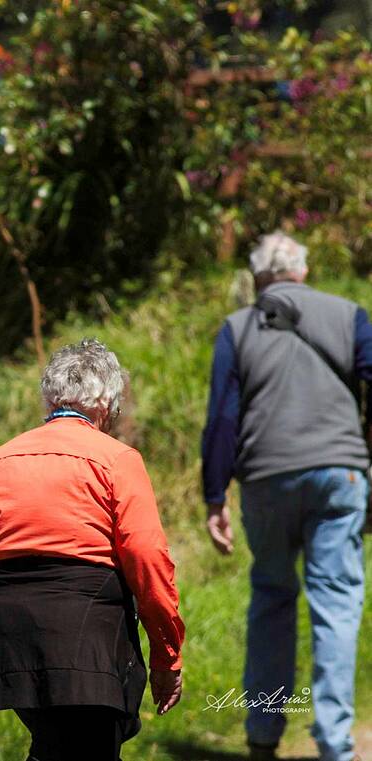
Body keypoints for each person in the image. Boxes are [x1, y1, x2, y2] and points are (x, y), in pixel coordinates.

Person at [0, 339, 185, 761]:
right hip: (86, 635)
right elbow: (147, 558)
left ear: (49, 398)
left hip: (9, 636)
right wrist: (167, 653)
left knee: (55, 745)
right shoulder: (117, 459)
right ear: (107, 403)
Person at [202, 231, 370, 761]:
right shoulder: (350, 315)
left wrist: (214, 495)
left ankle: (264, 735)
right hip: (340, 475)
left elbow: (224, 420)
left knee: (272, 596)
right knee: (336, 603)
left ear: (258, 277)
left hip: (266, 479)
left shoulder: (237, 327)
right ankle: (334, 743)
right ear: (303, 271)